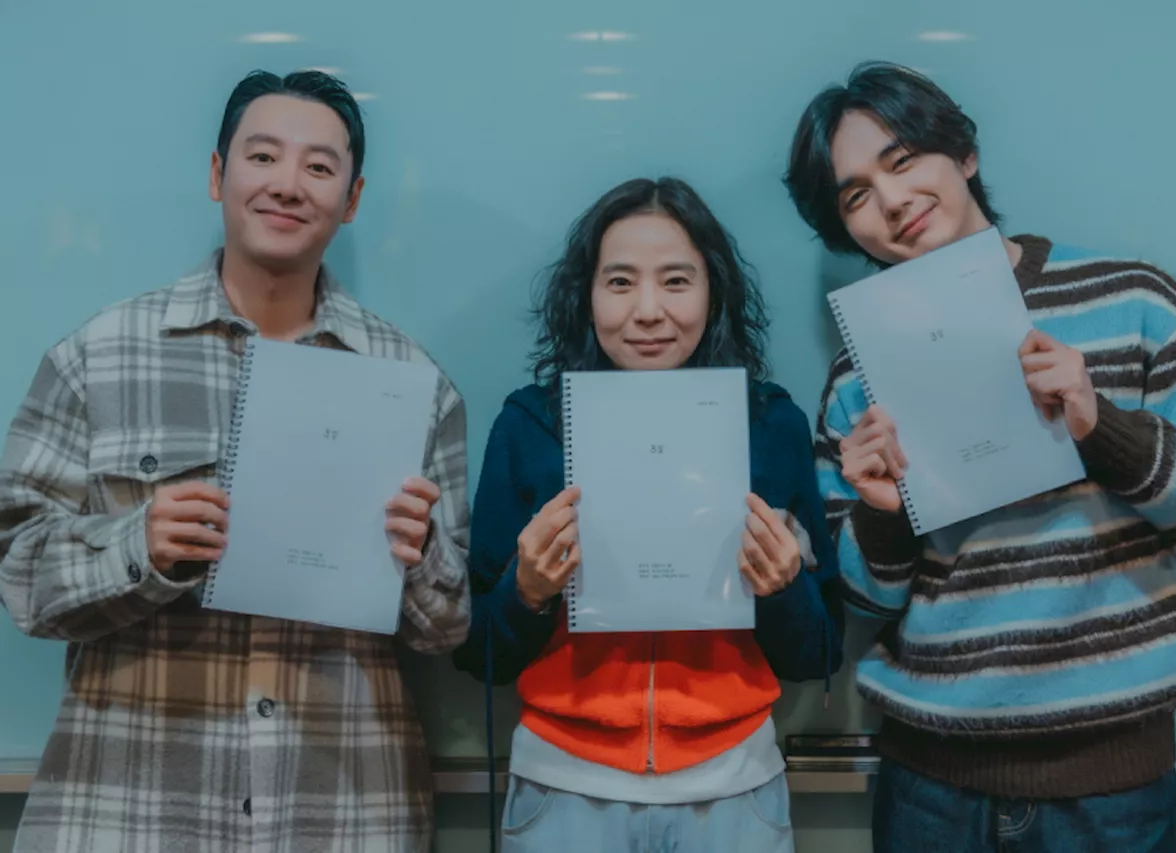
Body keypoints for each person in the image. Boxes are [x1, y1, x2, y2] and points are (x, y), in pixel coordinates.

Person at [783, 60, 1176, 852]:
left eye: (903, 160)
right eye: (855, 195)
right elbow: (863, 604)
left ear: (964, 154)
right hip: (930, 792)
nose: (892, 201)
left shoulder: (1131, 297)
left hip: (1116, 790)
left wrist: (1100, 426)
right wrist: (882, 518)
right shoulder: (859, 375)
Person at [0, 69, 470, 852]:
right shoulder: (99, 355)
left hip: (342, 816)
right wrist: (137, 544)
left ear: (351, 200)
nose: (288, 184)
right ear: (218, 174)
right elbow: (18, 573)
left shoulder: (411, 383)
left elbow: (446, 629)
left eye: (320, 167)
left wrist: (417, 559)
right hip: (130, 813)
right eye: (262, 157)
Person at [452, 177, 844, 853]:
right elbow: (477, 652)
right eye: (621, 282)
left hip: (733, 789)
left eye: (677, 281)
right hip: (563, 791)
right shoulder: (530, 425)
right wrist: (527, 592)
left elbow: (821, 652)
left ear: (714, 291)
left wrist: (783, 587)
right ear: (587, 294)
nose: (649, 310)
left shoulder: (771, 424)